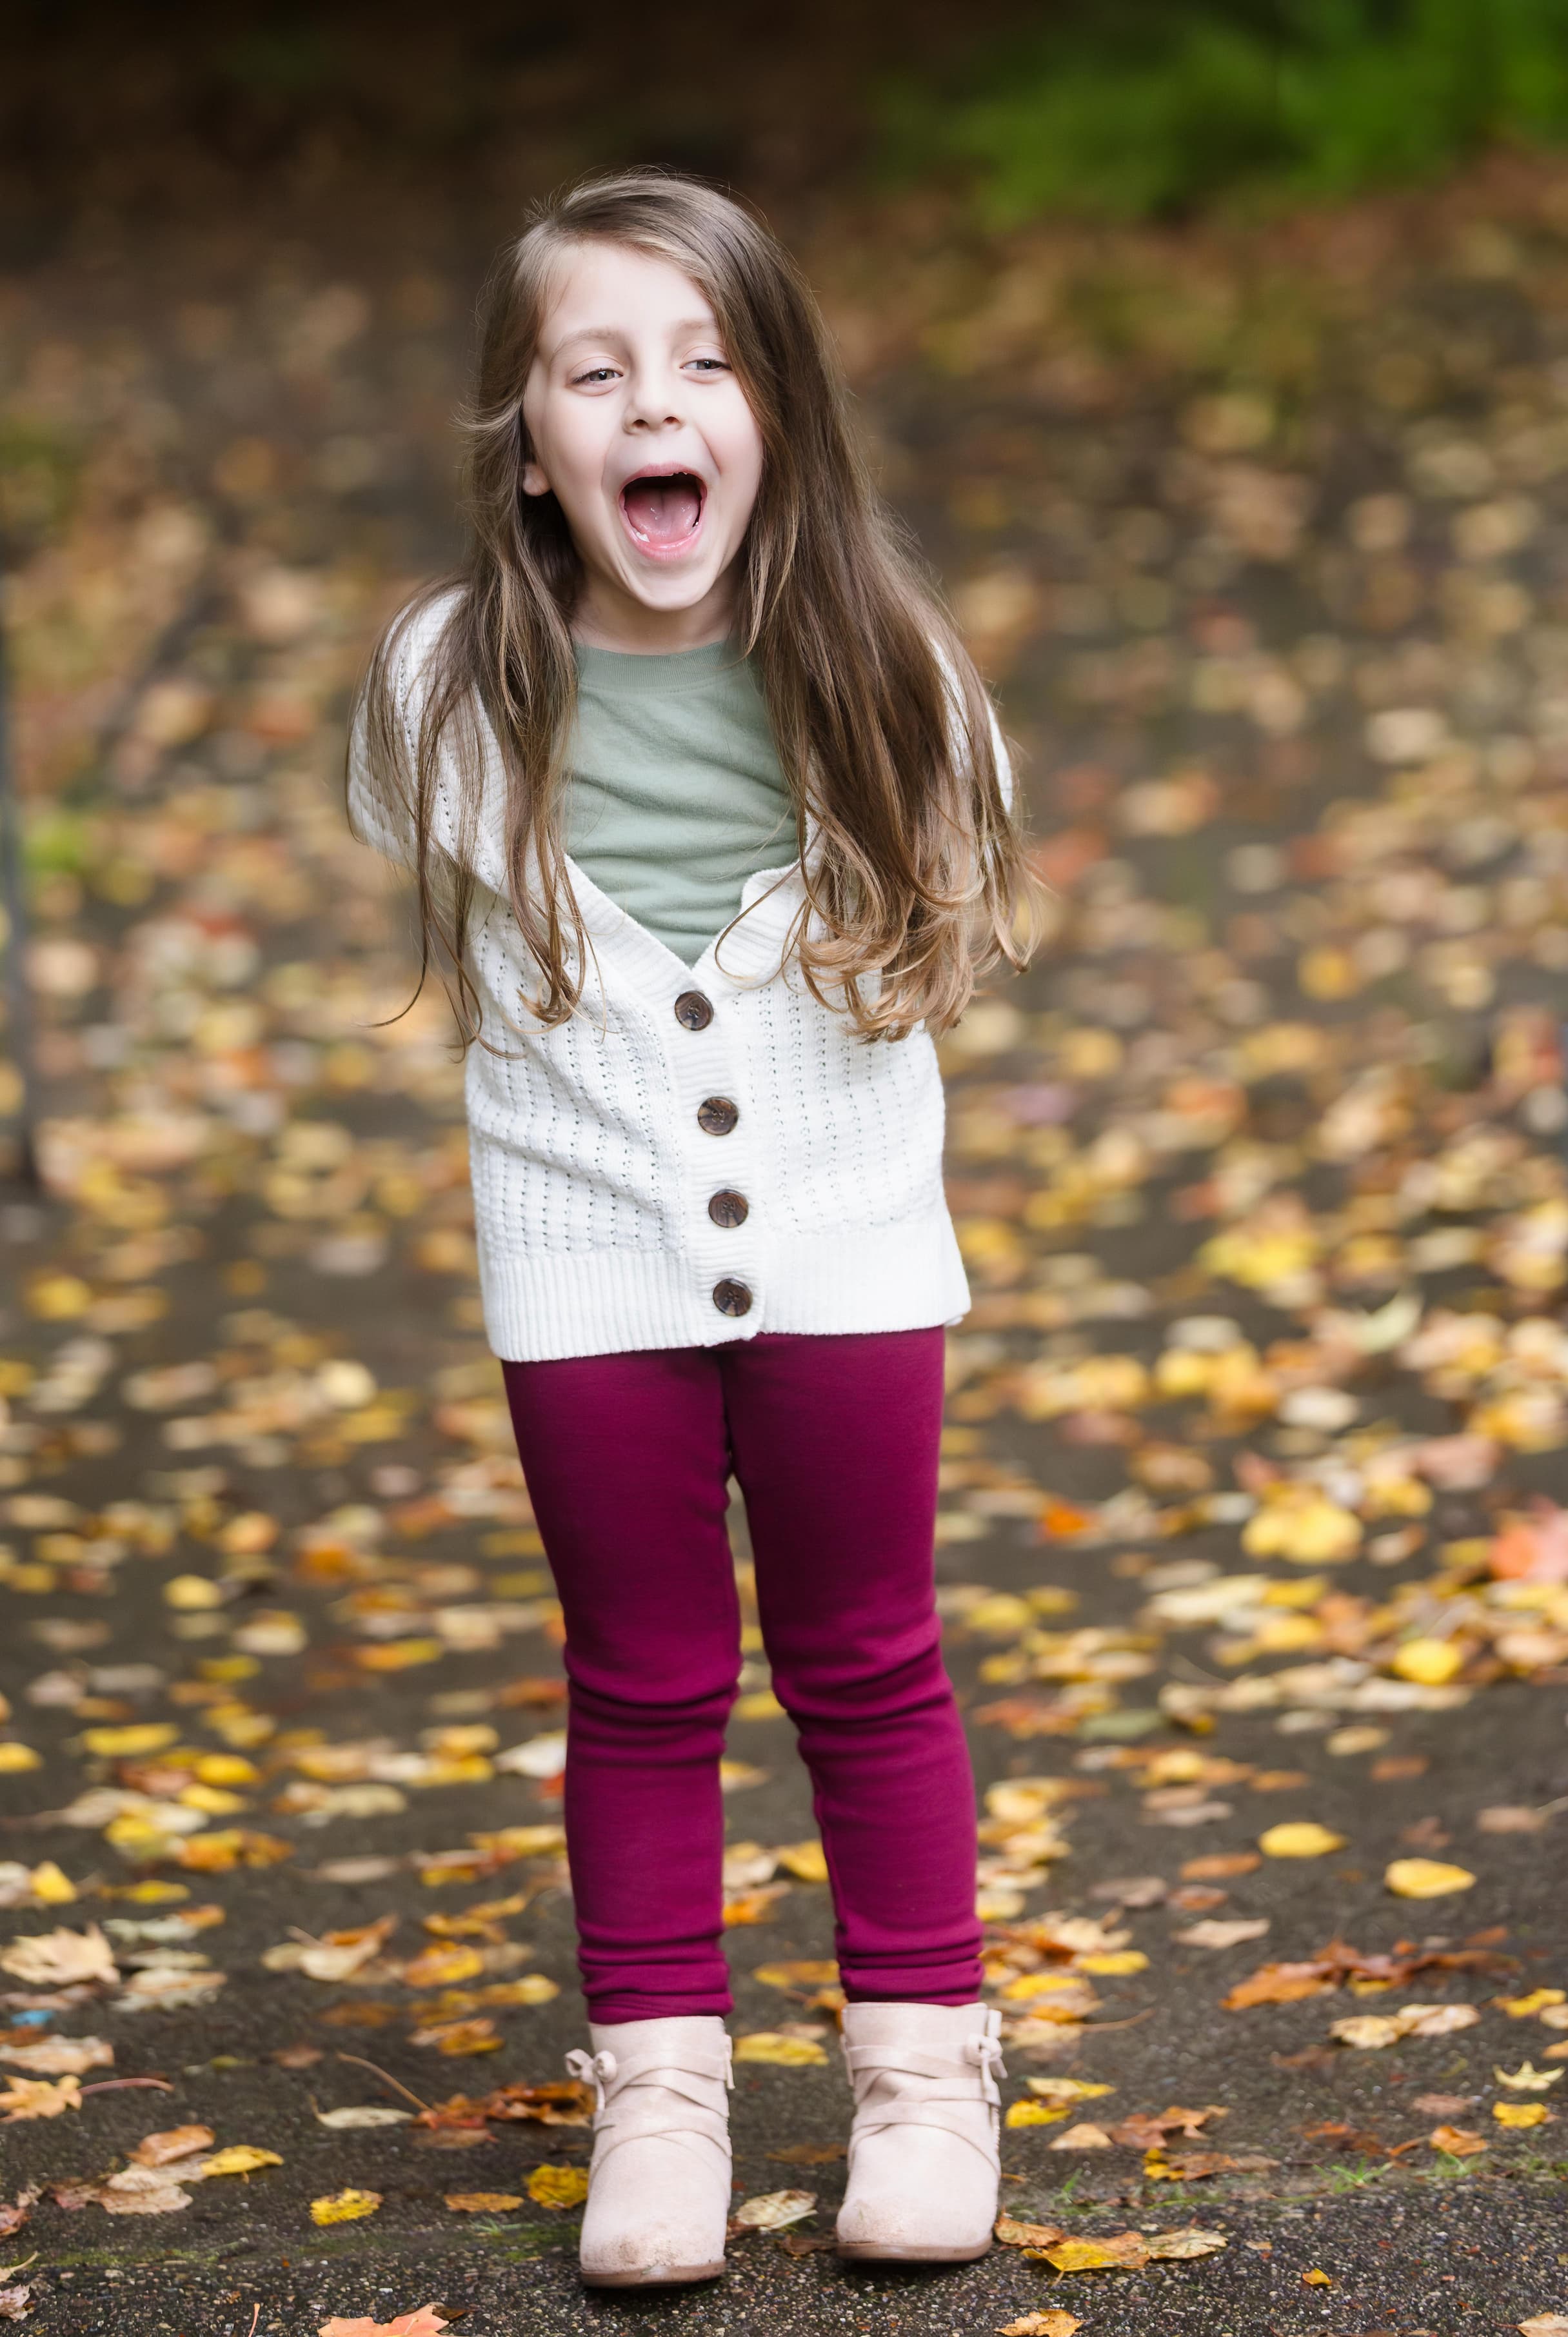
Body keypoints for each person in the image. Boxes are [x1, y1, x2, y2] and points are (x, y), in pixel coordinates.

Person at [348, 168, 1033, 2289]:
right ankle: (660, 2095)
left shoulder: (884, 670)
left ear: (777, 418)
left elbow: (955, 881)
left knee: (869, 1660)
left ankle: (925, 2079)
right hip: (583, 1277)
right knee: (641, 1680)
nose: (657, 404)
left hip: (850, 1255)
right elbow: (415, 839)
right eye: (598, 372)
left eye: (708, 363)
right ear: (529, 450)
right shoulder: (448, 692)